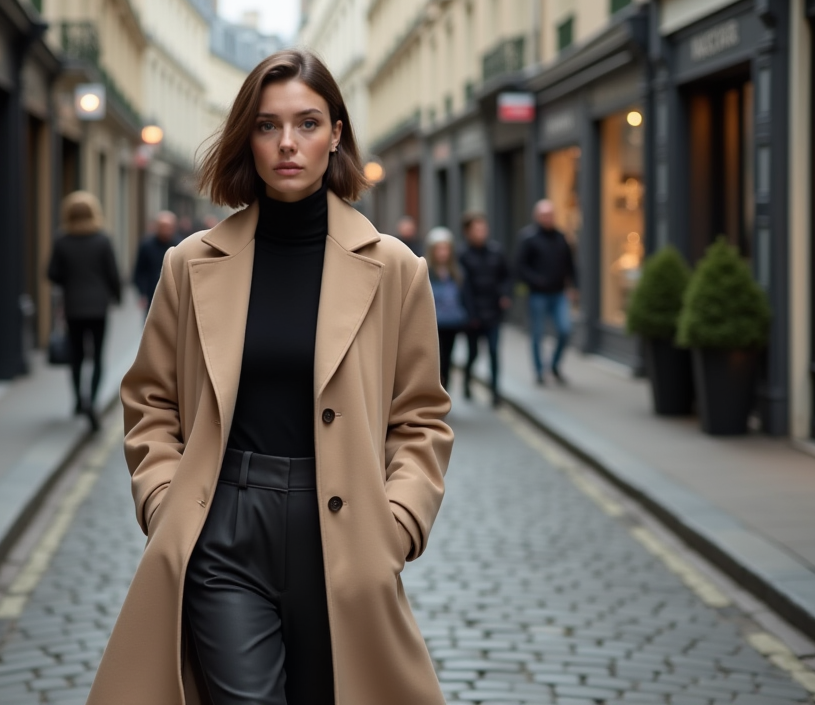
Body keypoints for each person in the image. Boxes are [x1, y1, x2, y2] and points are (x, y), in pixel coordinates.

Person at [86, 49, 453, 705]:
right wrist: (164, 497)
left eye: (308, 123)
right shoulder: (190, 263)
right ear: (246, 138)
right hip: (224, 525)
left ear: (336, 134)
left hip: (344, 530)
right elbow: (149, 400)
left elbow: (421, 415)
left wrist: (398, 521)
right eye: (267, 125)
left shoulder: (395, 269)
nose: (288, 143)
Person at [46, 191, 120, 430]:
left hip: (73, 307)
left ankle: (79, 400)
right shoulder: (102, 239)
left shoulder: (62, 240)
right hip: (98, 307)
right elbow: (113, 273)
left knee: (76, 356)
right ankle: (93, 402)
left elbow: (51, 273)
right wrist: (116, 296)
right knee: (98, 356)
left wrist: (69, 279)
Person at [515, 199, 577, 385]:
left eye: (550, 215)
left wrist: (573, 286)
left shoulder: (561, 237)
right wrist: (537, 281)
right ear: (537, 217)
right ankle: (540, 372)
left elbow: (570, 264)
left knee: (565, 330)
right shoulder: (528, 238)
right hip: (538, 294)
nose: (548, 218)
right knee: (538, 334)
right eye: (544, 215)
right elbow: (520, 267)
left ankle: (555, 365)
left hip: (559, 293)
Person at [459, 212, 511, 406]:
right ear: (468, 232)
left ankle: (495, 392)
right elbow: (463, 288)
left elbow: (506, 276)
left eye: (484, 228)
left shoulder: (496, 251)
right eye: (477, 229)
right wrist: (469, 314)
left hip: (493, 312)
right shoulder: (462, 255)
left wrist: (505, 295)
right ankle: (466, 381)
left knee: (494, 351)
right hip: (473, 315)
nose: (481, 232)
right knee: (473, 354)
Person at [426, 226, 470, 392]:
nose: (443, 253)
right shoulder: (426, 271)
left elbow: (463, 296)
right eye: (439, 249)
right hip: (434, 324)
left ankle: (445, 391)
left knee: (447, 359)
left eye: (446, 248)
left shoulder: (456, 272)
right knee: (436, 360)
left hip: (452, 322)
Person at [132, 210, 179, 312]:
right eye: (163, 227)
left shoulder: (180, 245)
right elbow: (139, 271)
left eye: (169, 227)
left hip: (174, 295)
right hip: (151, 293)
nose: (166, 230)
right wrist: (142, 293)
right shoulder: (146, 245)